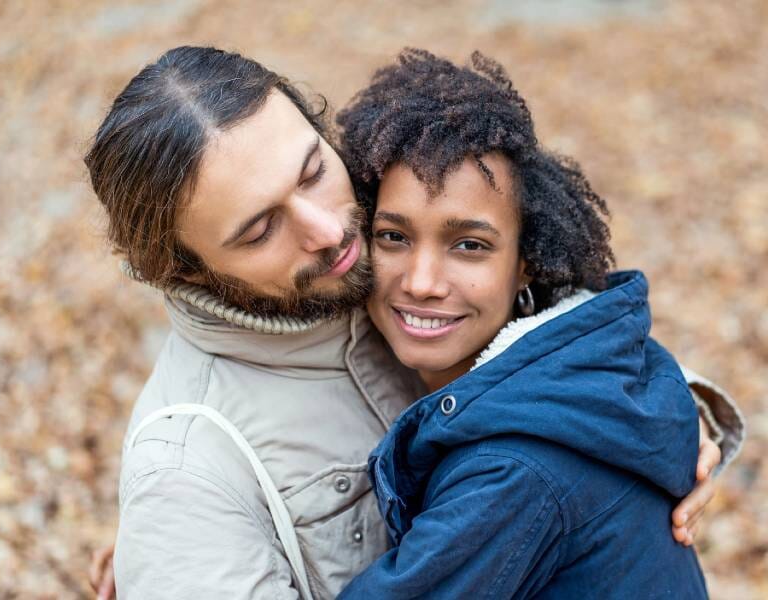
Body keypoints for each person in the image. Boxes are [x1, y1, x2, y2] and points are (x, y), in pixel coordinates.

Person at [84, 46, 743, 599]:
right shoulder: (184, 482)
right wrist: (164, 546)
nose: (327, 229)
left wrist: (663, 416)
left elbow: (547, 312)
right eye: (261, 229)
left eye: (314, 170)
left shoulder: (382, 257)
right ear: (189, 271)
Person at [335, 49, 720, 598]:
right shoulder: (594, 368)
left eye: (469, 245)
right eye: (394, 236)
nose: (421, 281)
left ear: (526, 265)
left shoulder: (512, 475)